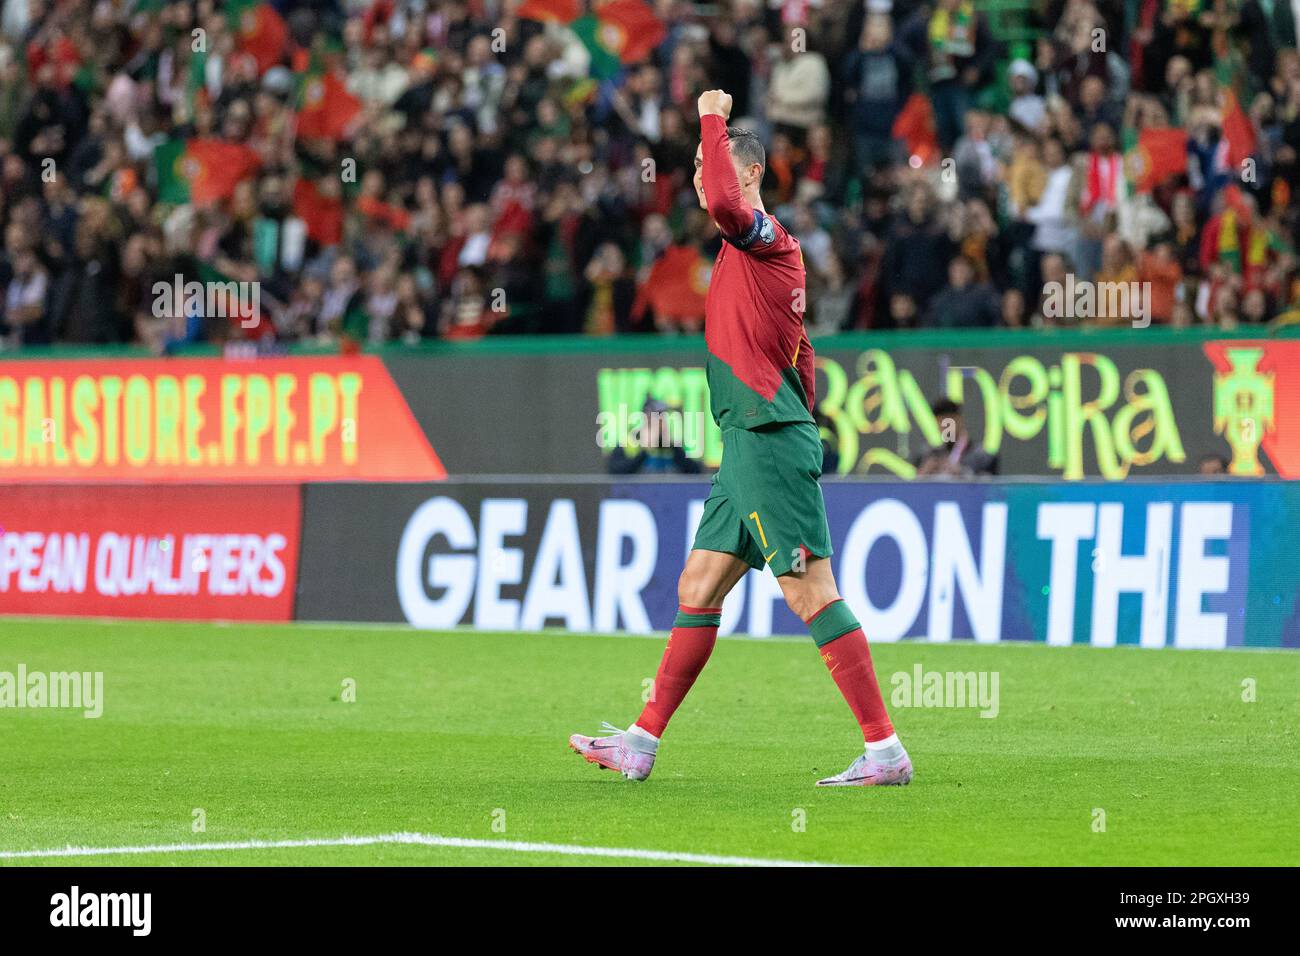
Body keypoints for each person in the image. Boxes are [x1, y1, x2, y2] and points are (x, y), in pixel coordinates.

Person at [569, 90, 912, 788]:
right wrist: (795, 416)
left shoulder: (760, 233)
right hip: (748, 444)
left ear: (749, 172)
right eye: (696, 165)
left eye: (710, 163)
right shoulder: (751, 255)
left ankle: (885, 751)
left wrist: (710, 114)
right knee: (698, 584)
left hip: (764, 440)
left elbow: (727, 203)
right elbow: (804, 351)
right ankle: (641, 741)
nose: (700, 176)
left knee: (810, 591)